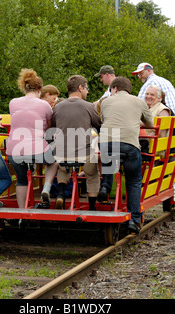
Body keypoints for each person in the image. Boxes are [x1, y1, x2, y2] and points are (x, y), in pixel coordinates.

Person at [98, 77, 154, 234]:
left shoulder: (106, 102)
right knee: (134, 181)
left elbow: (103, 120)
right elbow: (150, 124)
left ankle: (105, 186)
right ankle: (134, 221)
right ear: (129, 90)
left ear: (114, 89)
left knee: (109, 156)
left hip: (107, 144)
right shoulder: (138, 102)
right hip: (130, 145)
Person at [6, 69, 59, 208]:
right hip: (36, 149)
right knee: (54, 161)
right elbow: (49, 127)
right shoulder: (44, 105)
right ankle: (46, 188)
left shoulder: (13, 103)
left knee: (21, 180)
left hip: (13, 150)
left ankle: (22, 212)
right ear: (40, 89)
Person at [51, 75, 101, 210]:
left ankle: (60, 194)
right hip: (83, 154)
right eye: (86, 88)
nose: (87, 92)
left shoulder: (58, 107)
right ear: (80, 88)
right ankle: (92, 207)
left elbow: (53, 126)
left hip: (62, 152)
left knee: (62, 169)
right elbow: (98, 125)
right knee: (93, 175)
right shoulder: (88, 106)